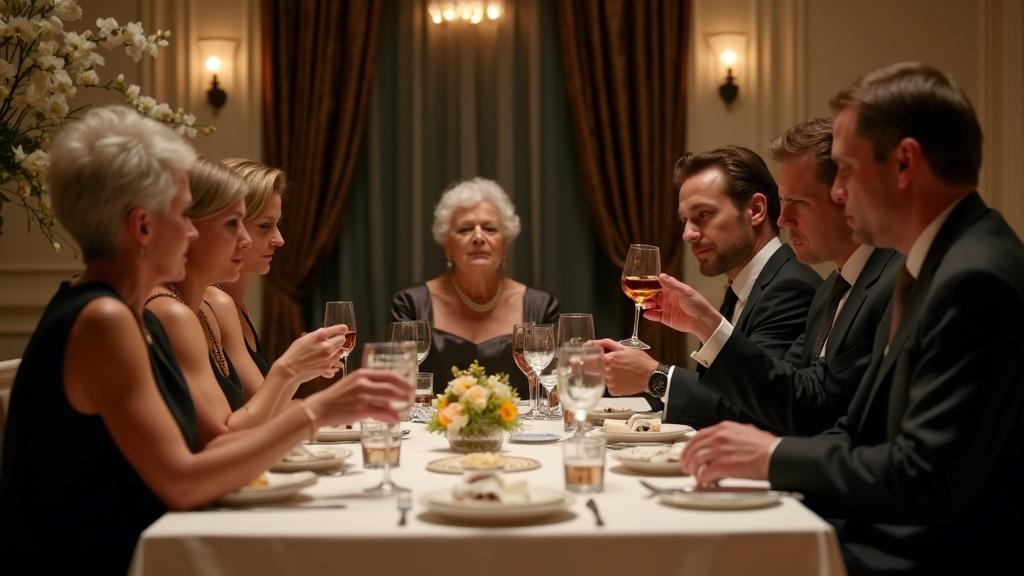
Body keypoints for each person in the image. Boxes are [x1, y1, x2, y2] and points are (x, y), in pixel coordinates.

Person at [0, 106, 412, 574]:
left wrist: (314, 403)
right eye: (184, 214)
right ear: (143, 227)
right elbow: (182, 484)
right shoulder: (104, 319)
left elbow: (212, 446)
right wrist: (318, 410)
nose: (195, 231)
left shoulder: (120, 311)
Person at [680, 63, 1024, 575]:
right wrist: (765, 453)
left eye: (845, 169)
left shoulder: (973, 277)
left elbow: (924, 477)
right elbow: (858, 430)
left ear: (904, 164)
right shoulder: (935, 263)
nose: (838, 192)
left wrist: (772, 458)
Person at [643, 117, 902, 435]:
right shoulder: (830, 291)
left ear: (847, 196)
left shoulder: (896, 282)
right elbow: (793, 397)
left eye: (798, 202)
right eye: (784, 201)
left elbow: (846, 426)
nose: (783, 218)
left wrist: (655, 374)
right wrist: (705, 324)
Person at [593, 146, 821, 427]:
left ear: (756, 210)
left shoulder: (790, 287)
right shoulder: (741, 289)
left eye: (703, 214)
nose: (687, 234)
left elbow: (756, 407)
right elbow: (716, 391)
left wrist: (654, 376)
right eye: (684, 220)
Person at [146, 159, 354, 445]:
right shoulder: (172, 311)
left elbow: (250, 420)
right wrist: (290, 370)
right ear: (189, 229)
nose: (244, 240)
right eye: (234, 224)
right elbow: (224, 438)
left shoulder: (207, 307)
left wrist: (297, 373)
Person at [391, 177, 559, 397]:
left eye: (489, 229)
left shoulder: (541, 306)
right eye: (465, 229)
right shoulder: (411, 305)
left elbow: (555, 391)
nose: (478, 237)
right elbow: (396, 389)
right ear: (447, 245)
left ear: (504, 244)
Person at [209, 159, 286, 381]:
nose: (279, 239)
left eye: (277, 224)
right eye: (264, 226)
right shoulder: (216, 304)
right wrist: (292, 368)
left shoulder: (239, 307)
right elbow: (256, 400)